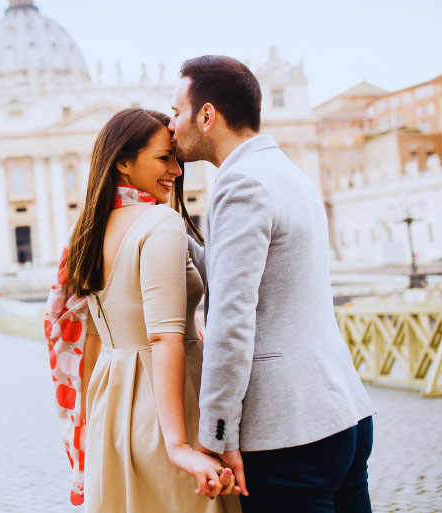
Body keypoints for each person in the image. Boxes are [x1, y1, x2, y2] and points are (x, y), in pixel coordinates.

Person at [168, 55, 375, 513]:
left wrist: (217, 433)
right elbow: (250, 275)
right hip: (344, 413)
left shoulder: (240, 183)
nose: (171, 126)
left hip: (288, 431)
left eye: (177, 112)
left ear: (207, 115)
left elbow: (231, 319)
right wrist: (173, 230)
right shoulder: (286, 172)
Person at [45, 107, 240, 512]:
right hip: (170, 400)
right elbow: (163, 336)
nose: (177, 171)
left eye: (177, 159)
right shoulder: (160, 223)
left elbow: (91, 335)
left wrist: (96, 415)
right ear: (123, 161)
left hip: (110, 401)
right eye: (164, 158)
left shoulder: (85, 230)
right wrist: (180, 445)